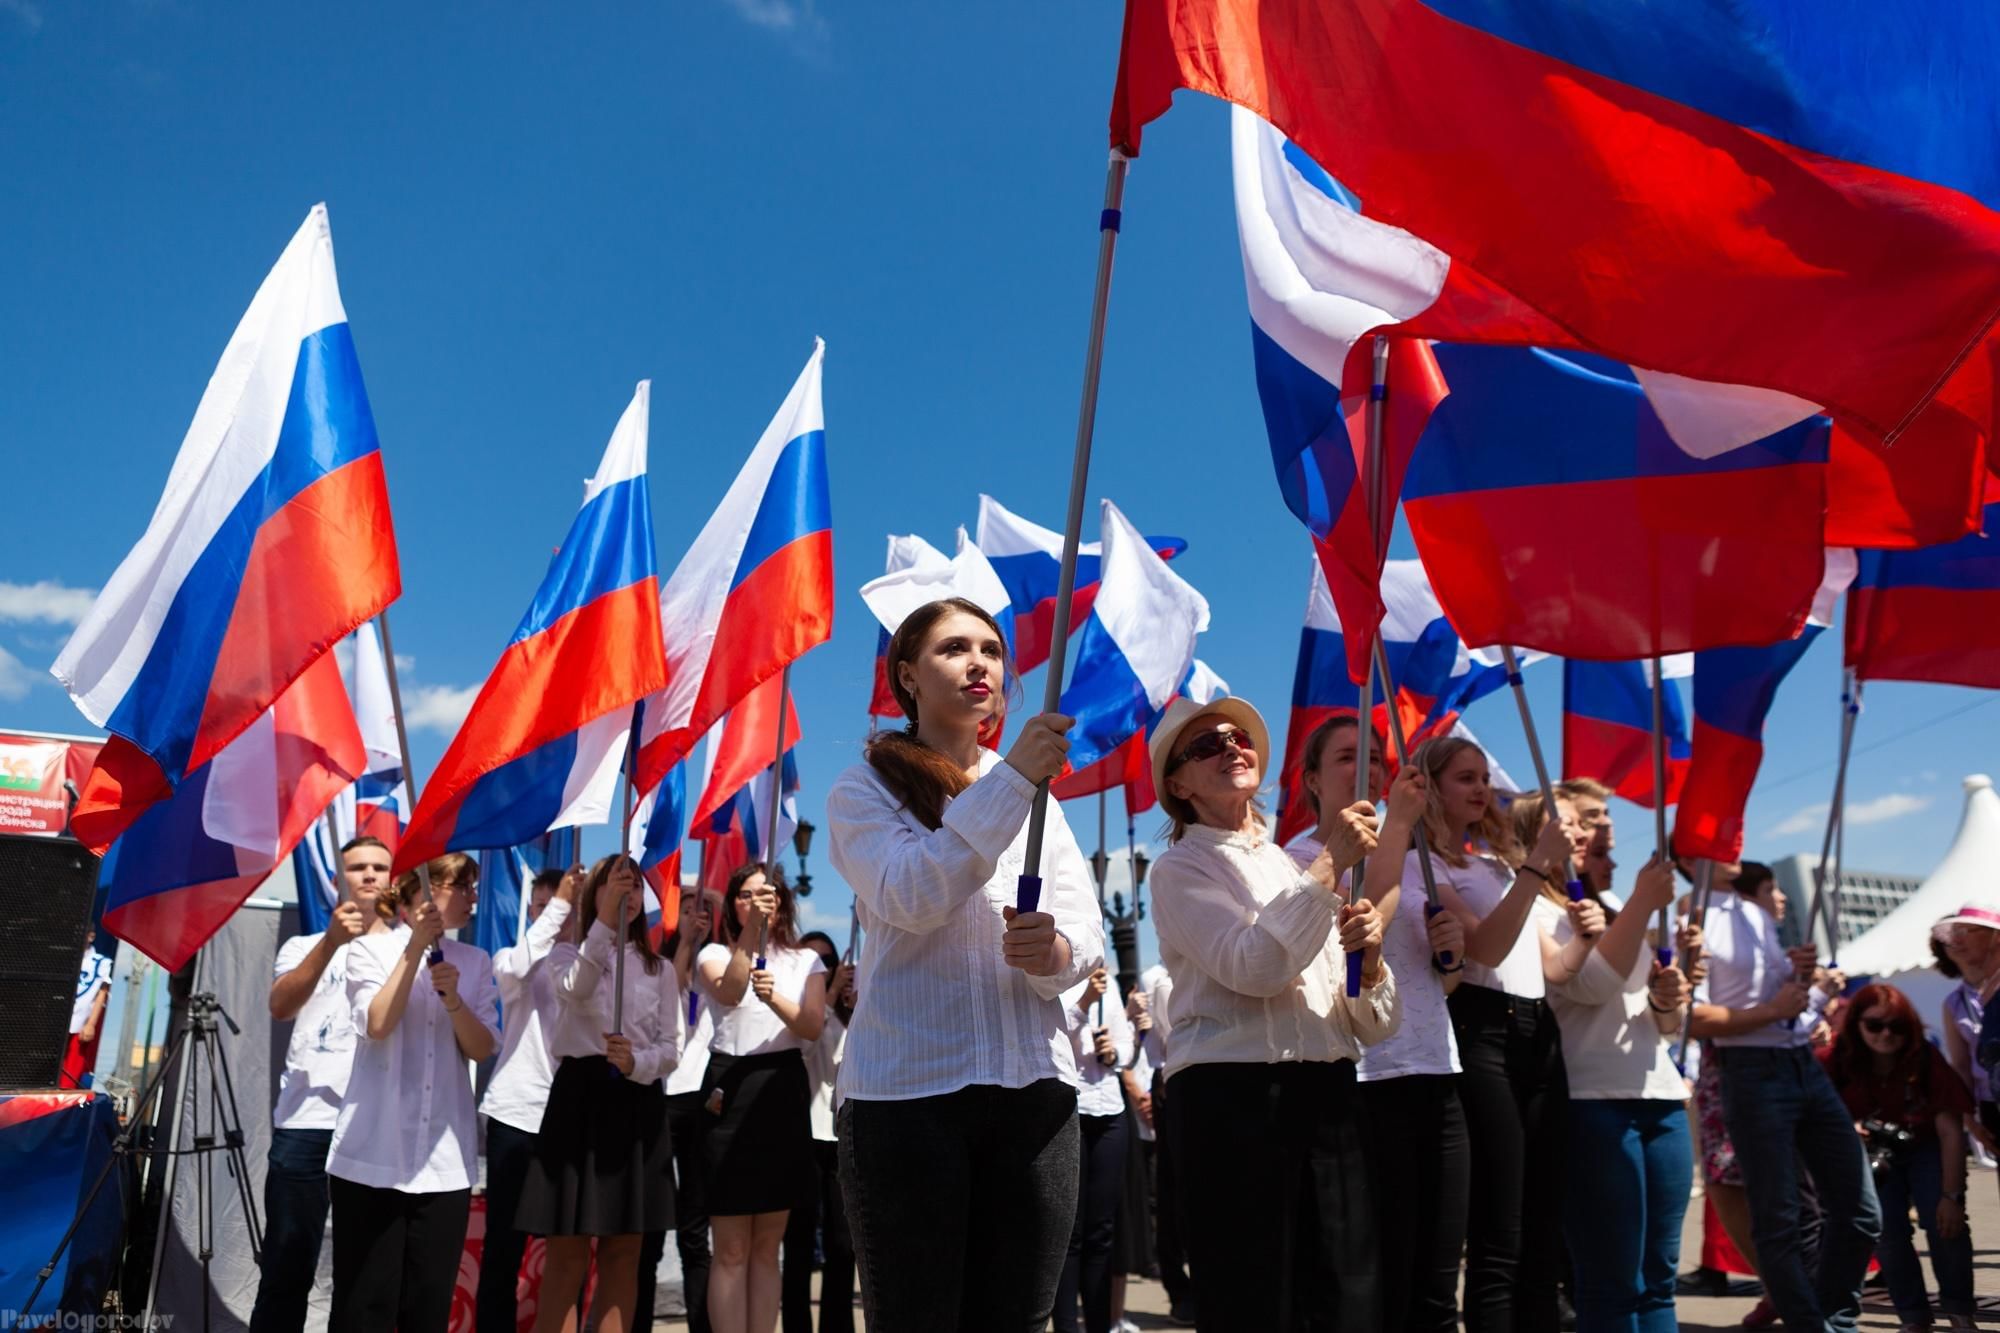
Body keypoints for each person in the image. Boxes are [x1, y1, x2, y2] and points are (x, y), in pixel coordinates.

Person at [824, 597, 1102, 1330]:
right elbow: (911, 893)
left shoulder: (1041, 796)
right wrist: (1011, 781)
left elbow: (1086, 933)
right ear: (908, 676)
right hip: (907, 1098)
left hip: (1033, 1091)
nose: (980, 662)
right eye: (954, 648)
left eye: (991, 648)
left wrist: (1055, 953)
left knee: (1020, 1319)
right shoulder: (864, 788)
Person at [1147, 694, 1397, 1329]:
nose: (1231, 746)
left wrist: (1367, 959)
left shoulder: (1292, 866)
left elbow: (1372, 1022)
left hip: (1329, 1093)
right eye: (1206, 745)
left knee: (1348, 1301)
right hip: (1234, 1099)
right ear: (1177, 783)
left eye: (1238, 737)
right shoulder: (1179, 868)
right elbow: (1253, 967)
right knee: (1251, 1302)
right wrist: (1330, 864)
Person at [1421, 739, 1603, 1333]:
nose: (1480, 789)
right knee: (1501, 1227)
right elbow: (1487, 947)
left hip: (1537, 1032)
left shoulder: (1493, 866)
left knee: (1543, 1224)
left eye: (1482, 778)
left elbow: (1552, 968)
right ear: (1432, 787)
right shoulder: (1429, 868)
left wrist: (1584, 937)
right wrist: (1534, 868)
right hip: (1481, 1035)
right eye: (1464, 778)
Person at [1308, 718, 1467, 1333]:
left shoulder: (1411, 862)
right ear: (1313, 781)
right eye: (1349, 758)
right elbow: (1361, 922)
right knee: (1388, 1278)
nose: (1370, 770)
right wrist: (1398, 821)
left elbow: (1437, 984)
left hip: (1436, 1066)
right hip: (1367, 1080)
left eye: (1376, 759)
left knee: (1437, 1277)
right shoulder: (1301, 858)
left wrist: (1448, 955)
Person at [1691, 853, 1880, 1330]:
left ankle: (1832, 1319)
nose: (1732, 846)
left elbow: (1786, 1009)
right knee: (1780, 1220)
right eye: (1721, 840)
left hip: (1798, 1064)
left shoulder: (1752, 915)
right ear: (1690, 858)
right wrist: (1778, 1008)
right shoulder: (1689, 919)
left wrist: (1801, 983)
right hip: (1749, 1070)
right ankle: (1815, 1325)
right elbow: (1690, 1019)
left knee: (1860, 1212)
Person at [326, 852, 500, 1333]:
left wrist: (456, 1000)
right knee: (364, 1308)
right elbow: (377, 1024)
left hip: (443, 1164)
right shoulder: (367, 951)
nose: (472, 897)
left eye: (473, 887)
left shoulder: (475, 960)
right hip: (372, 1156)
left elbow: (482, 1047)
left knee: (426, 1307)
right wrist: (415, 951)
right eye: (460, 886)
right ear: (420, 892)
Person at [516, 854, 682, 1333]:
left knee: (624, 1253)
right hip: (579, 1100)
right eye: (615, 886)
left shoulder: (660, 970)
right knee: (566, 1251)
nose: (625, 897)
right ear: (596, 895)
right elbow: (577, 987)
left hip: (636, 1102)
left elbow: (671, 1048)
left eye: (632, 889)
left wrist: (638, 1063)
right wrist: (603, 923)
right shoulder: (565, 953)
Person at [1543, 850, 1695, 1333]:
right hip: (1591, 1101)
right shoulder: (1535, 908)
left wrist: (1668, 1000)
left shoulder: (1614, 908)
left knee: (1659, 1282)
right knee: (1612, 1284)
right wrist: (1643, 902)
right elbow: (1589, 989)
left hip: (1662, 1097)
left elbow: (1664, 1026)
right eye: (1598, 844)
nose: (1611, 858)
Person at [249, 835, 394, 1333]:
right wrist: (333, 942)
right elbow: (280, 1006)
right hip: (306, 1122)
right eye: (358, 868)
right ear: (337, 881)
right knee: (287, 1266)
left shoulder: (406, 950)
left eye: (380, 867)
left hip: (372, 1124)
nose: (370, 875)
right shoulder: (303, 945)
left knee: (360, 1275)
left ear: (394, 880)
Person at [697, 863, 827, 1333]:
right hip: (729, 1087)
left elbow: (812, 1025)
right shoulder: (713, 952)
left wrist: (776, 1000)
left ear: (783, 902)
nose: (754, 903)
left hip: (781, 1089)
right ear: (734, 904)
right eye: (745, 896)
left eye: (763, 895)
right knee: (730, 1246)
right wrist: (751, 934)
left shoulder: (806, 962)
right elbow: (730, 992)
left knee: (766, 1247)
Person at [1822, 984, 1977, 1331]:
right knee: (1887, 1233)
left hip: (1926, 1148)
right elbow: (1812, 1111)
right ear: (1856, 1025)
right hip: (1873, 1155)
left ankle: (1960, 1314)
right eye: (1874, 1025)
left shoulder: (1924, 1057)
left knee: (1946, 1227)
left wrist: (1952, 1196)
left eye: (1897, 1026)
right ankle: (1914, 1319)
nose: (1886, 1035)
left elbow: (1951, 1131)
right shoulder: (1837, 1059)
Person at [477, 865, 579, 1333]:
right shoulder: (511, 960)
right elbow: (518, 967)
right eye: (541, 908)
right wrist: (556, 909)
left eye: (563, 908)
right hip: (516, 1113)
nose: (554, 918)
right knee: (505, 1244)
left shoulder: (595, 966)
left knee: (569, 1242)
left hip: (573, 1117)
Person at [641, 891, 719, 1332]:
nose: (697, 917)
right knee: (650, 1227)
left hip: (701, 1101)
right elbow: (674, 988)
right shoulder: (658, 965)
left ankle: (700, 1324)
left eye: (704, 912)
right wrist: (685, 942)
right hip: (661, 1098)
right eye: (688, 911)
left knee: (694, 1230)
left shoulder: (719, 961)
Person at [780, 930, 857, 1333]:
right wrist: (825, 1003)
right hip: (804, 1134)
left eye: (828, 961)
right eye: (813, 961)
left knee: (843, 1248)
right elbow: (802, 1051)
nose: (823, 968)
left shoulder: (849, 1008)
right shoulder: (798, 1008)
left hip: (842, 1135)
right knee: (798, 1243)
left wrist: (855, 1006)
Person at [1053, 965, 1134, 1333]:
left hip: (1110, 1110)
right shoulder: (1056, 977)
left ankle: (1100, 1324)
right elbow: (1052, 1036)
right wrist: (1085, 1001)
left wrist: (1114, 1052)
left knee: (1102, 1230)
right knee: (1069, 1233)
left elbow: (1127, 1046)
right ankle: (1068, 1326)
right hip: (1071, 1108)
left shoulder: (1109, 981)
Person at [1137, 960, 1195, 1327]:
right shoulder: (1158, 979)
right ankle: (1180, 1292)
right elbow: (1169, 1036)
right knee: (1173, 1189)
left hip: (1194, 1076)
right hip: (1174, 1080)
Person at [1935, 906, 2000, 1159]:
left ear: (1995, 936)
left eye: (1966, 931)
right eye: (1952, 936)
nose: (1957, 941)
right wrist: (1970, 1118)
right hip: (1990, 1105)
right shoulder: (1955, 1002)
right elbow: (1961, 1064)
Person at [1556, 777, 1615, 898]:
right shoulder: (1541, 907)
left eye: (1606, 813)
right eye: (1592, 815)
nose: (1607, 822)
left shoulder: (1609, 900)